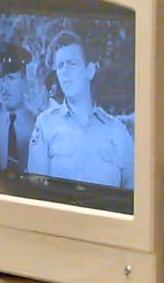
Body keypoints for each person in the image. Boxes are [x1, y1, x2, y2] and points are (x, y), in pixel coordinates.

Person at [26, 29, 134, 188]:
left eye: (71, 63)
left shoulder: (117, 131)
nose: (65, 72)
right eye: (60, 66)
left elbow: (131, 190)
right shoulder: (45, 124)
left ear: (90, 70)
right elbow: (35, 188)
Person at [0, 45, 38, 173]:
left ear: (24, 81)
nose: (4, 87)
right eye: (2, 79)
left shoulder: (37, 125)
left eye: (11, 79)